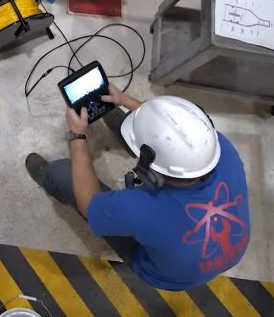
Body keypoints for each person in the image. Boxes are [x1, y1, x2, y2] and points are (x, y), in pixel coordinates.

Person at [25, 84, 250, 291]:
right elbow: (177, 133)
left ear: (148, 170)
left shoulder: (140, 208)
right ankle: (125, 126)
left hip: (165, 276)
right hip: (231, 253)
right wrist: (125, 100)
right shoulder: (218, 148)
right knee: (137, 131)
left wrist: (77, 136)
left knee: (64, 173)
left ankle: (49, 180)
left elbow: (88, 205)